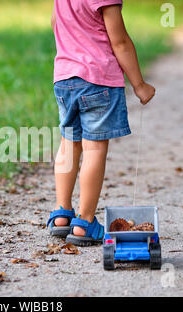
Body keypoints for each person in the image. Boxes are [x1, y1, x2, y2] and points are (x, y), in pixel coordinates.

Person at [46, 0, 155, 246]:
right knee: (94, 147)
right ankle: (84, 222)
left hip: (64, 78)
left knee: (69, 143)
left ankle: (62, 213)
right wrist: (139, 84)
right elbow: (120, 41)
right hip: (97, 79)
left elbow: (55, 22)